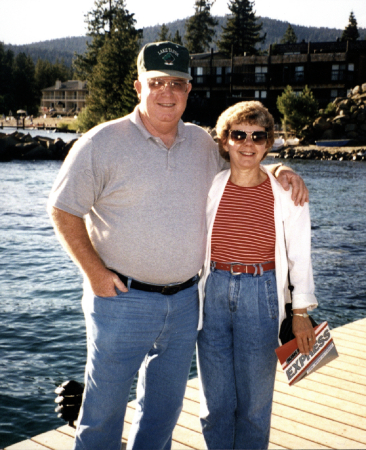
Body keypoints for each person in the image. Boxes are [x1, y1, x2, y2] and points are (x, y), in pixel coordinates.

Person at [48, 41, 308, 450]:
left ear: (189, 90)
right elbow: (63, 210)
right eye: (156, 82)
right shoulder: (101, 142)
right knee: (103, 413)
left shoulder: (203, 144)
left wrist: (281, 168)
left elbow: (245, 163)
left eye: (176, 83)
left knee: (161, 413)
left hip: (188, 301)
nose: (166, 92)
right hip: (121, 300)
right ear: (139, 87)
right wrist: (95, 273)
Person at [197, 100, 318, 450]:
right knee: (215, 402)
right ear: (225, 141)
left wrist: (300, 314)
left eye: (257, 136)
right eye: (239, 135)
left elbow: (300, 256)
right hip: (213, 292)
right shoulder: (211, 186)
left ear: (268, 144)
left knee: (254, 406)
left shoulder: (286, 192)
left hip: (262, 293)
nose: (248, 143)